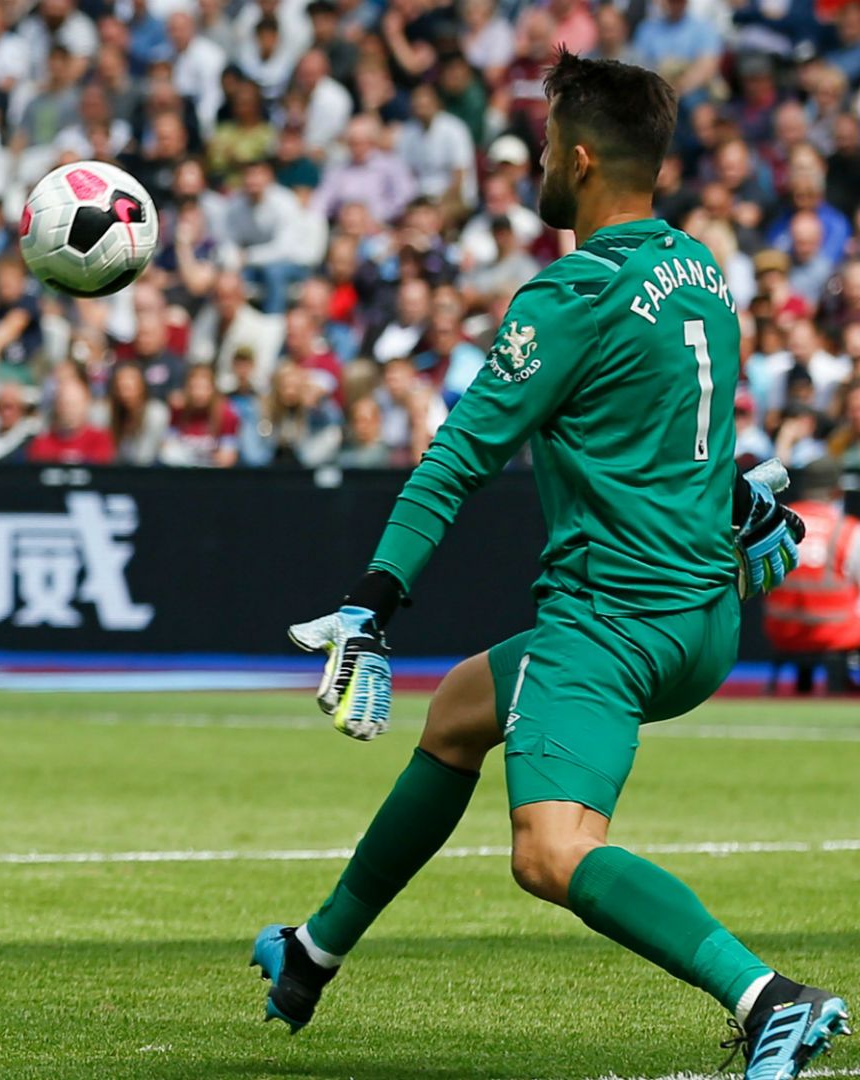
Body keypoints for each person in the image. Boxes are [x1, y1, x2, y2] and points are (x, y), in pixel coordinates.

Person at [254, 53, 842, 1080]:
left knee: (550, 850)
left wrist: (370, 601)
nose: (533, 161)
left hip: (612, 621)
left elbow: (458, 459)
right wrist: (733, 501)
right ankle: (313, 951)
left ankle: (769, 1000)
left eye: (540, 144)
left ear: (577, 157)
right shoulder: (700, 272)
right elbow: (675, 438)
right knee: (458, 716)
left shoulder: (573, 291)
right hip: (703, 612)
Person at [762, 457, 860, 692]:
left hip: (781, 630)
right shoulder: (847, 529)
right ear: (837, 491)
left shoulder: (775, 522)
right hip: (836, 633)